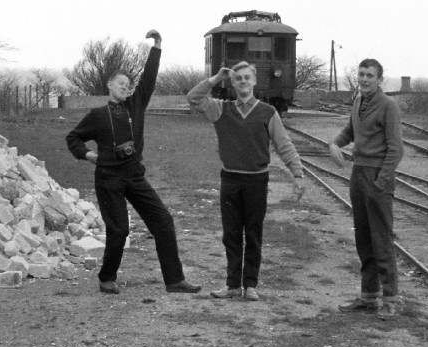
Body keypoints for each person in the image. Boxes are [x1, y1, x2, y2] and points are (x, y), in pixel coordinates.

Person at [65, 30, 202, 295]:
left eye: (128, 85)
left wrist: (157, 47)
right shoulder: (97, 115)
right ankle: (107, 278)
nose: (125, 88)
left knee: (163, 221)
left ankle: (174, 281)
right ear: (109, 86)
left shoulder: (136, 105)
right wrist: (88, 154)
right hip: (109, 178)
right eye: (120, 84)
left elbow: (148, 78)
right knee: (119, 230)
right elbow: (73, 138)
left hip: (134, 175)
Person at [188, 62, 306, 301]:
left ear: (254, 81)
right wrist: (213, 79)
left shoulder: (268, 112)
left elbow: (284, 145)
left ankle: (250, 284)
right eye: (237, 78)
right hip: (230, 179)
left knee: (253, 233)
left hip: (256, 181)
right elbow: (193, 98)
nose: (242, 82)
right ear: (232, 83)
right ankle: (232, 285)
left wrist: (298, 173)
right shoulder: (221, 109)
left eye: (246, 78)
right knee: (231, 234)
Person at [327, 58, 404, 319]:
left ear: (379, 79)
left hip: (377, 175)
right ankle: (368, 296)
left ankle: (391, 298)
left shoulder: (388, 105)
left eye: (370, 75)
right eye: (361, 74)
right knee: (363, 238)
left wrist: (381, 182)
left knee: (381, 238)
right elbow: (351, 130)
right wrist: (335, 144)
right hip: (358, 174)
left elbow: (396, 149)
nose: (365, 79)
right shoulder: (359, 101)